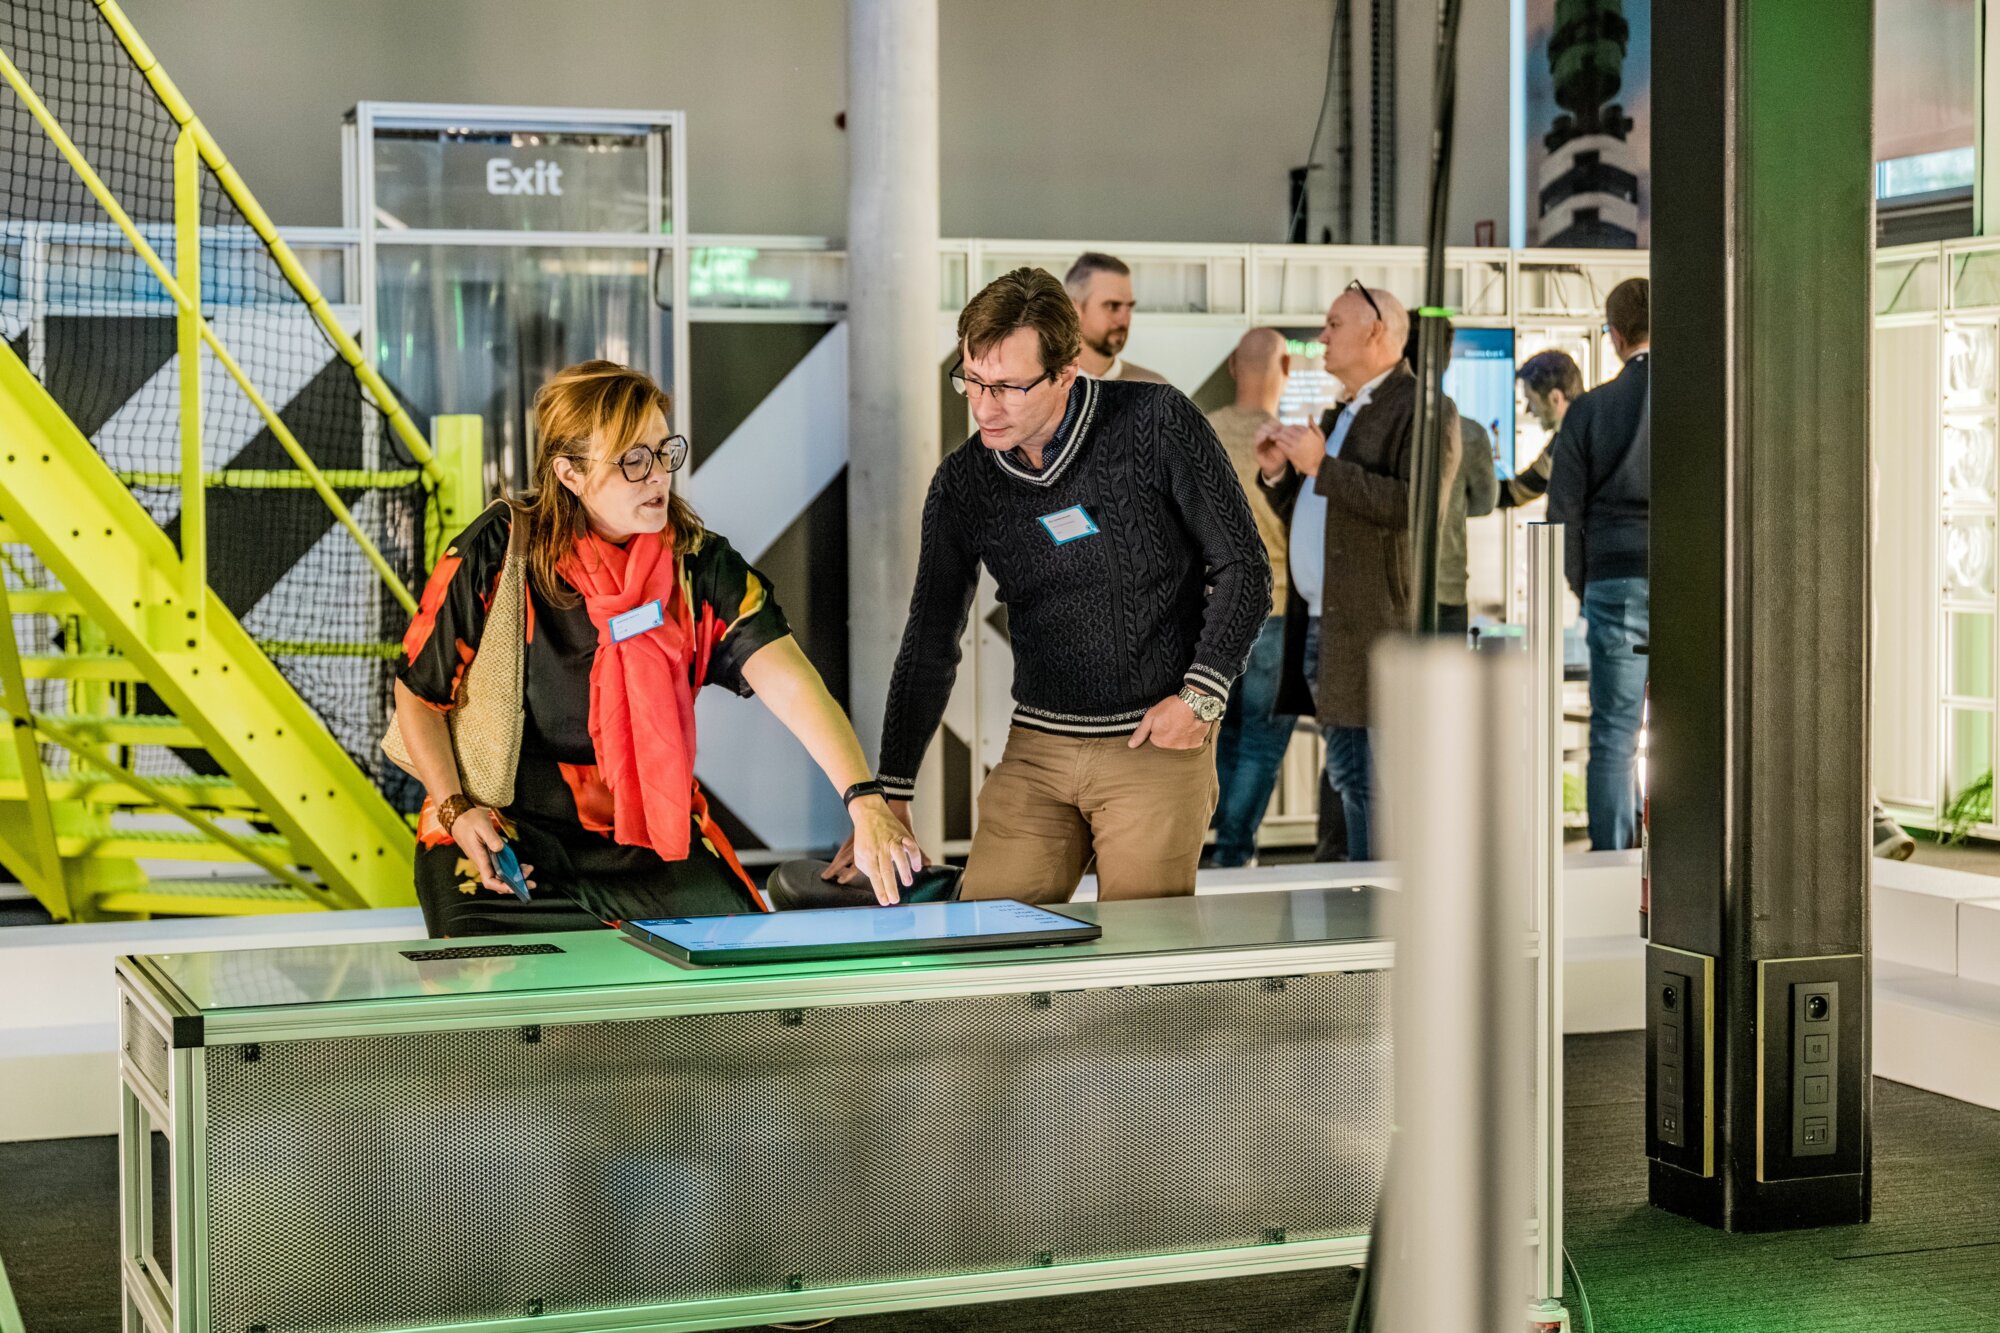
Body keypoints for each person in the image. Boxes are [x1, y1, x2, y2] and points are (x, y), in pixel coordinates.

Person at [394, 361, 920, 938]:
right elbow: (418, 695)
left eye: (663, 451)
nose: (658, 476)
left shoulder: (697, 565)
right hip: (505, 831)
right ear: (569, 473)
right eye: (632, 460)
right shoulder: (501, 552)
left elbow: (790, 680)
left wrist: (862, 798)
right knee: (499, 998)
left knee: (739, 984)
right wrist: (454, 808)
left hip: (652, 836)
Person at [830, 267, 1269, 903]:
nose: (984, 407)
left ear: (1065, 373)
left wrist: (1200, 699)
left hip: (1152, 743)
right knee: (989, 945)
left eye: (1007, 387)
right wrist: (894, 790)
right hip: (1037, 748)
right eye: (972, 382)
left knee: (1139, 961)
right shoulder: (965, 483)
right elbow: (931, 635)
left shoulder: (1156, 421)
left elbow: (1244, 568)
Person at [1254, 283, 1460, 862]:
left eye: (1333, 325)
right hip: (1331, 625)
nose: (1321, 338)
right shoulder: (1341, 410)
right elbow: (1318, 512)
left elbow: (1414, 510)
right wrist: (1280, 476)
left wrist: (1322, 465)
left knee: (1377, 782)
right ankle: (1369, 907)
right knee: (1349, 777)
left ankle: (1385, 911)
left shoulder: (1424, 408)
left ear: (1376, 332)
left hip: (1375, 627)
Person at [1547, 279, 1651, 851]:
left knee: (1614, 734)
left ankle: (1614, 862)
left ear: (1613, 336)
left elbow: (1562, 512)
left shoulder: (1589, 410)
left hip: (1614, 582)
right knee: (1691, 735)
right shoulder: (1710, 398)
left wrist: (1585, 587)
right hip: (1695, 582)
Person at [1206, 328, 1301, 867]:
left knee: (1213, 732)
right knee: (1263, 741)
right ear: (1286, 367)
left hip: (1213, 611)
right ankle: (1235, 850)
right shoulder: (1290, 443)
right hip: (1281, 609)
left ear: (1233, 366)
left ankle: (1202, 836)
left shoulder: (1206, 433)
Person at [1403, 317, 1498, 634]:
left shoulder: (1379, 424)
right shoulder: (1468, 432)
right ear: (1446, 360)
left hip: (1394, 591)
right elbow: (1485, 502)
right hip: (1447, 586)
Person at [1065, 252, 1169, 384]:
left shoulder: (1155, 390)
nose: (1124, 320)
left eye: (1129, 307)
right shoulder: (1041, 390)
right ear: (1074, 309)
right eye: (1112, 306)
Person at [1501, 349, 1585, 509]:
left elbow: (1517, 491)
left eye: (1530, 400)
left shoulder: (1570, 441)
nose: (1528, 410)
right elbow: (1521, 489)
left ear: (1555, 398)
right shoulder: (1567, 437)